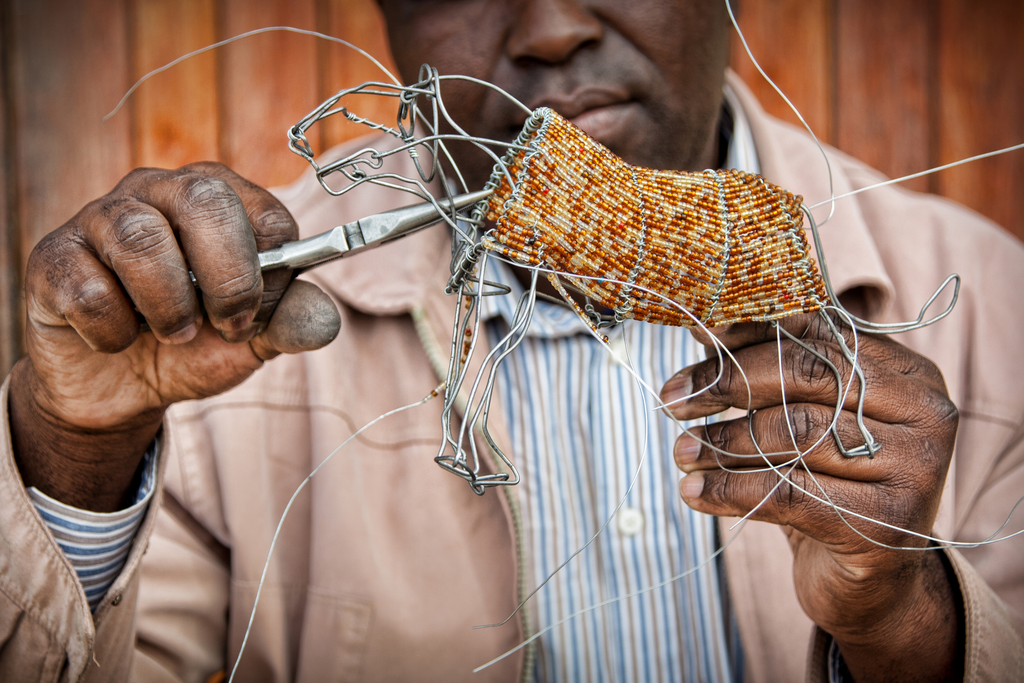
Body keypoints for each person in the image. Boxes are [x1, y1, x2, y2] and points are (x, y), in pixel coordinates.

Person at [1, 0, 1022, 681]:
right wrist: (79, 451)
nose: (550, 27)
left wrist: (904, 619)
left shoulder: (992, 306)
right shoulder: (214, 338)